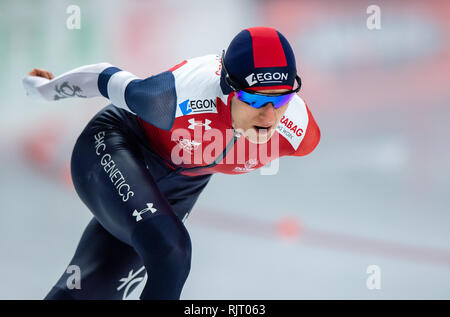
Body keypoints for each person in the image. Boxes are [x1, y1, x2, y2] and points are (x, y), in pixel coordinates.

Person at [22, 26, 321, 300]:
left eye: (281, 100)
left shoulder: (299, 133)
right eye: (255, 100)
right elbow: (104, 77)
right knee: (171, 253)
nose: (269, 117)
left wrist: (271, 102)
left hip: (180, 186)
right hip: (116, 147)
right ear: (229, 88)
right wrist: (43, 89)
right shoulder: (172, 98)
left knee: (89, 290)